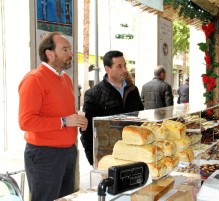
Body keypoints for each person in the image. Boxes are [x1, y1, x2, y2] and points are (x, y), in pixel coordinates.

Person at [18, 32, 88, 201]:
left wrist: (78, 119)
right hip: (44, 154)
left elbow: (63, 113)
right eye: (65, 49)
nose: (70, 53)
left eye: (70, 49)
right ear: (49, 54)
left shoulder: (66, 79)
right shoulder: (34, 79)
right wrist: (64, 121)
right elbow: (26, 121)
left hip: (68, 151)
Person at [80, 50, 144, 165]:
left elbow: (141, 120)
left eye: (124, 65)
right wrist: (94, 160)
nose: (124, 70)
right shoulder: (94, 94)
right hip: (109, 156)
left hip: (133, 152)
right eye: (119, 66)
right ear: (107, 69)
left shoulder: (133, 90)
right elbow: (87, 131)